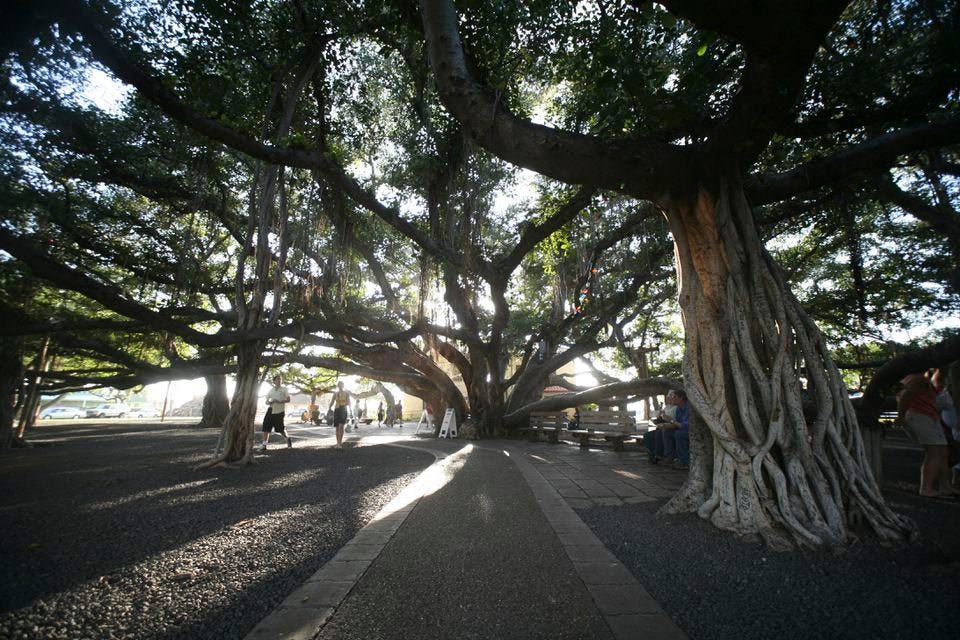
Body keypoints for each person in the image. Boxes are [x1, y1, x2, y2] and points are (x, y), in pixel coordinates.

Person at [897, 371, 956, 498]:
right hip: (921, 416)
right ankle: (926, 488)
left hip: (929, 416)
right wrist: (900, 416)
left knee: (943, 452)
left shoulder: (912, 379)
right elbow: (906, 396)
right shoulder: (917, 381)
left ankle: (945, 486)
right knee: (934, 453)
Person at [644, 390, 678, 463]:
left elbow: (673, 419)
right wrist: (659, 414)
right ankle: (654, 454)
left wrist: (665, 418)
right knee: (647, 435)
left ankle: (658, 455)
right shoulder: (667, 407)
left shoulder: (677, 407)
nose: (669, 398)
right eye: (668, 396)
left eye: (671, 397)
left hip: (670, 426)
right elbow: (658, 418)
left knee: (659, 434)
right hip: (662, 425)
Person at [260, 374, 292, 450]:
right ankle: (264, 445)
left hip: (279, 411)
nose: (279, 381)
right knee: (265, 428)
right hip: (270, 410)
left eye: (280, 379)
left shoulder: (284, 389)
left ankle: (288, 439)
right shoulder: (271, 390)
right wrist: (270, 401)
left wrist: (279, 401)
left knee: (280, 429)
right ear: (274, 381)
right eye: (277, 379)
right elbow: (267, 401)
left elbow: (288, 399)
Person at [328, 381, 354, 448]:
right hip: (336, 410)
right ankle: (338, 443)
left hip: (343, 410)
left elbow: (349, 403)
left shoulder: (346, 393)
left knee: (341, 426)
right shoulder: (335, 394)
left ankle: (340, 443)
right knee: (337, 427)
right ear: (338, 386)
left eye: (341, 385)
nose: (340, 386)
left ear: (343, 386)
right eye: (339, 385)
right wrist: (329, 408)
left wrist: (351, 412)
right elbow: (332, 401)